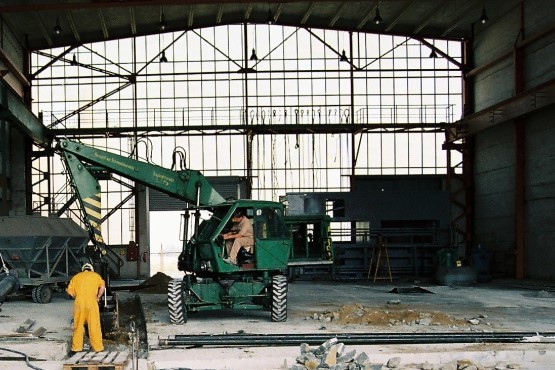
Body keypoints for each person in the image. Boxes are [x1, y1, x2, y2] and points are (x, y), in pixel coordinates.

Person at [66, 263, 105, 354]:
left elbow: (70, 291)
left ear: (83, 269)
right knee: (94, 325)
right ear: (91, 269)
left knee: (78, 326)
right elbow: (102, 287)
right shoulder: (96, 276)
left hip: (79, 303)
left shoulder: (76, 277)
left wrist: (78, 297)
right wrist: (98, 297)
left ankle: (76, 348)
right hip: (92, 303)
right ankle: (98, 348)